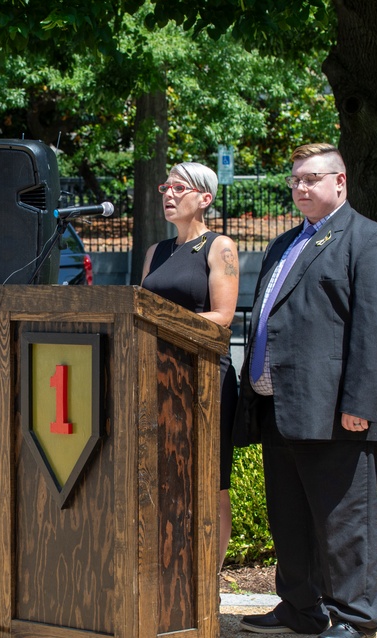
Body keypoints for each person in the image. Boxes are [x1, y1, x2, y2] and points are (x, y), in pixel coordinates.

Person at [235, 143, 377, 638]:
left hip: (337, 411)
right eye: (295, 181)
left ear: (341, 182)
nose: (301, 188)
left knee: (344, 520)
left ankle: (357, 616)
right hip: (281, 406)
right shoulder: (284, 243)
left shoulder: (373, 241)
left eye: (312, 178)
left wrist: (360, 403)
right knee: (288, 518)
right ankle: (301, 608)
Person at [140, 161, 240, 569]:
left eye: (179, 188)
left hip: (203, 377)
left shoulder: (220, 247)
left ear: (204, 198)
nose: (168, 194)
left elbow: (223, 316)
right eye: (166, 187)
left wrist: (162, 324)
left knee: (210, 483)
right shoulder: (156, 252)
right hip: (155, 374)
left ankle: (208, 581)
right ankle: (170, 571)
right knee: (165, 479)